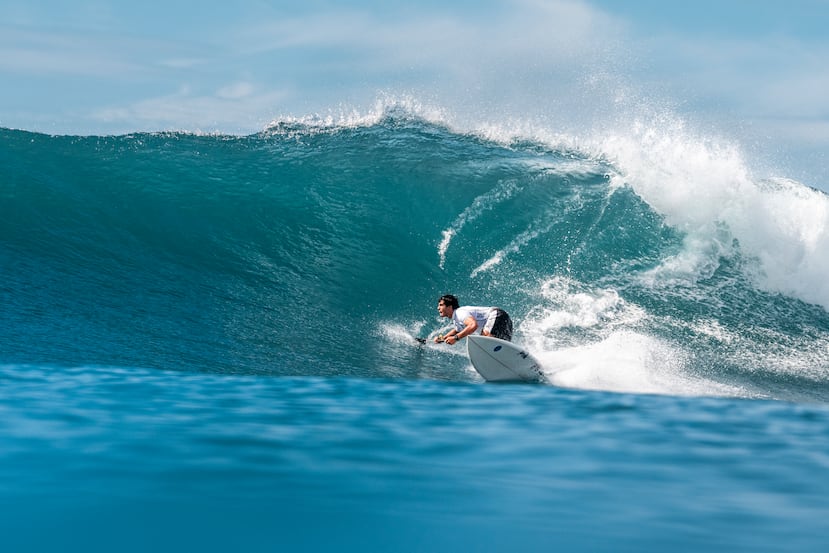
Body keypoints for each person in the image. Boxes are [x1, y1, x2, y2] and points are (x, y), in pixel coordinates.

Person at [434, 294, 513, 345]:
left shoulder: (459, 313)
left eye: (441, 305)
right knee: (504, 346)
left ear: (450, 306)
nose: (438, 308)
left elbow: (473, 325)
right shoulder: (456, 319)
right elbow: (456, 330)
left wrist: (456, 338)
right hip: (503, 317)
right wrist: (442, 339)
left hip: (497, 315)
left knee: (484, 340)